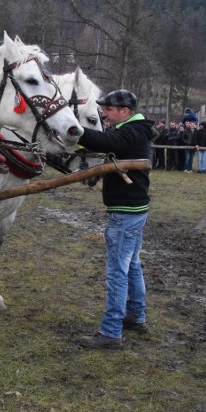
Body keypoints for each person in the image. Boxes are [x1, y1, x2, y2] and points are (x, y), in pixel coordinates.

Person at [73, 90, 153, 349]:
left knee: (118, 271)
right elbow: (107, 141)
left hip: (125, 214)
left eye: (108, 110)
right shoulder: (135, 130)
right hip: (134, 210)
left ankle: (111, 332)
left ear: (125, 112)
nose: (104, 114)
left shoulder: (131, 132)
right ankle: (136, 315)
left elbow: (106, 142)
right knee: (132, 265)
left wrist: (73, 130)